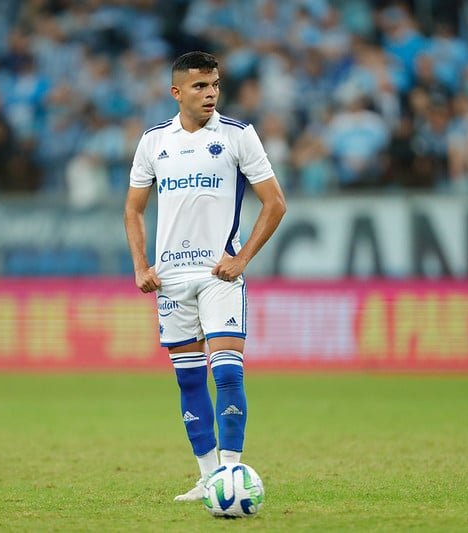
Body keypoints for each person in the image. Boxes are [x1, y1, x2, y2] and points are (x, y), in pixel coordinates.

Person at [124, 51, 286, 502]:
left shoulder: (238, 137)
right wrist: (141, 265)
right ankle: (208, 475)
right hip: (170, 278)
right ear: (176, 92)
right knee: (189, 379)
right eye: (199, 86)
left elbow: (275, 203)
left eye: (214, 84)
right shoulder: (154, 141)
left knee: (228, 373)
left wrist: (242, 260)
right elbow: (133, 210)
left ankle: (231, 475)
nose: (210, 92)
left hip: (220, 274)